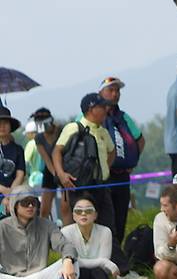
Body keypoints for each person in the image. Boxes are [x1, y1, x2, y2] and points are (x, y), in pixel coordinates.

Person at [52, 93, 130, 276]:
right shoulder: (74, 127)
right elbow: (57, 150)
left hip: (101, 186)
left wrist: (105, 170)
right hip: (79, 186)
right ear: (91, 109)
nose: (106, 110)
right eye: (102, 107)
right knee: (80, 225)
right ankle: (72, 265)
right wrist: (62, 175)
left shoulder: (102, 130)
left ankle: (115, 268)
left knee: (109, 226)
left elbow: (112, 152)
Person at [98, 77, 145, 244]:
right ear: (101, 92)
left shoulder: (124, 117)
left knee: (120, 217)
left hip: (122, 175)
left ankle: (118, 256)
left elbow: (140, 140)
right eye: (111, 90)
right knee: (104, 217)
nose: (115, 93)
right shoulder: (91, 115)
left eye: (117, 90)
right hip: (102, 176)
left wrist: (132, 161)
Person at [0, 185, 78, 279]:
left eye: (33, 202)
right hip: (10, 277)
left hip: (40, 276)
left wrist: (68, 260)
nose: (30, 206)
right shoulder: (2, 226)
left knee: (74, 262)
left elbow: (66, 245)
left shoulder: (47, 225)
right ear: (15, 205)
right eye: (26, 202)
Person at [61, 194, 120, 278]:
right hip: (76, 274)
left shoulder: (105, 232)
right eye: (78, 211)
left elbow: (104, 266)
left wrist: (103, 262)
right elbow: (70, 262)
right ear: (73, 215)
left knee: (98, 272)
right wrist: (101, 262)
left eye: (88, 210)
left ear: (95, 215)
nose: (83, 213)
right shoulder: (65, 232)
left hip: (98, 274)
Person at [32, 107, 68, 223]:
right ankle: (43, 234)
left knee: (65, 206)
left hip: (65, 168)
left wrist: (61, 174)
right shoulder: (39, 137)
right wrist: (55, 174)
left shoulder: (61, 130)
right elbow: (46, 158)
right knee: (44, 209)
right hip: (50, 170)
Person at [0, 107, 25, 216]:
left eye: (5, 123)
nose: (2, 127)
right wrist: (3, 190)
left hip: (13, 194)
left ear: (10, 126)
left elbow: (20, 174)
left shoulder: (18, 149)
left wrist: (10, 195)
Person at [22, 120, 43, 188]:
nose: (27, 136)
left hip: (34, 179)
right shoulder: (44, 143)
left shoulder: (31, 144)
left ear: (32, 133)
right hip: (46, 178)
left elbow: (25, 163)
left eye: (27, 134)